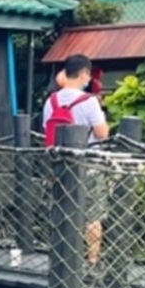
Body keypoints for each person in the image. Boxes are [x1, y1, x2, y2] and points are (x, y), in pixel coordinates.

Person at [43, 54, 111, 264]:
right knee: (92, 214)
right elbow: (102, 133)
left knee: (63, 208)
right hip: (88, 163)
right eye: (88, 75)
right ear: (83, 74)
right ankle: (92, 260)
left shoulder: (51, 101)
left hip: (59, 164)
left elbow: (47, 130)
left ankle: (63, 256)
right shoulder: (89, 101)